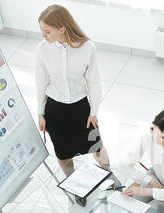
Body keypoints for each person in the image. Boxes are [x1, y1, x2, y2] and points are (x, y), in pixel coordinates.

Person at [36, 4, 109, 179]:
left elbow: (94, 83)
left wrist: (93, 113)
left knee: (96, 146)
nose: (43, 35)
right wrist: (40, 112)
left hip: (80, 108)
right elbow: (40, 82)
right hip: (55, 110)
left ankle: (109, 177)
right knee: (63, 153)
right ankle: (73, 183)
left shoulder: (87, 48)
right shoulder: (42, 49)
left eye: (47, 31)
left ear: (62, 29)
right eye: (42, 31)